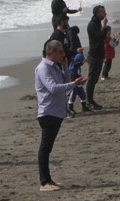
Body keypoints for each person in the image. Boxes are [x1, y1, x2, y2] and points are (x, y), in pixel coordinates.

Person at [35, 39, 87, 191]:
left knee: (48, 148)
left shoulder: (55, 66)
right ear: (51, 52)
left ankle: (49, 180)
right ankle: (44, 182)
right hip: (48, 112)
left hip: (56, 112)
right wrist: (74, 84)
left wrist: (64, 65)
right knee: (45, 148)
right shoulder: (43, 67)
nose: (63, 54)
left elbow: (65, 80)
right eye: (60, 52)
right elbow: (53, 87)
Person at [86, 5, 109, 109]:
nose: (104, 13)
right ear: (97, 13)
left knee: (95, 79)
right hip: (94, 54)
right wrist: (104, 27)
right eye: (102, 12)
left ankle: (90, 100)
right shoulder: (92, 24)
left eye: (104, 11)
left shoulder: (97, 23)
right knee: (92, 78)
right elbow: (99, 37)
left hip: (99, 53)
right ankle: (88, 101)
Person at [67, 46, 90, 116]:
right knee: (72, 97)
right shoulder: (72, 66)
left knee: (83, 95)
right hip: (74, 84)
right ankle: (70, 108)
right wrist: (83, 61)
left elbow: (78, 65)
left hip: (79, 84)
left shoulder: (77, 67)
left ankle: (84, 107)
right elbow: (75, 64)